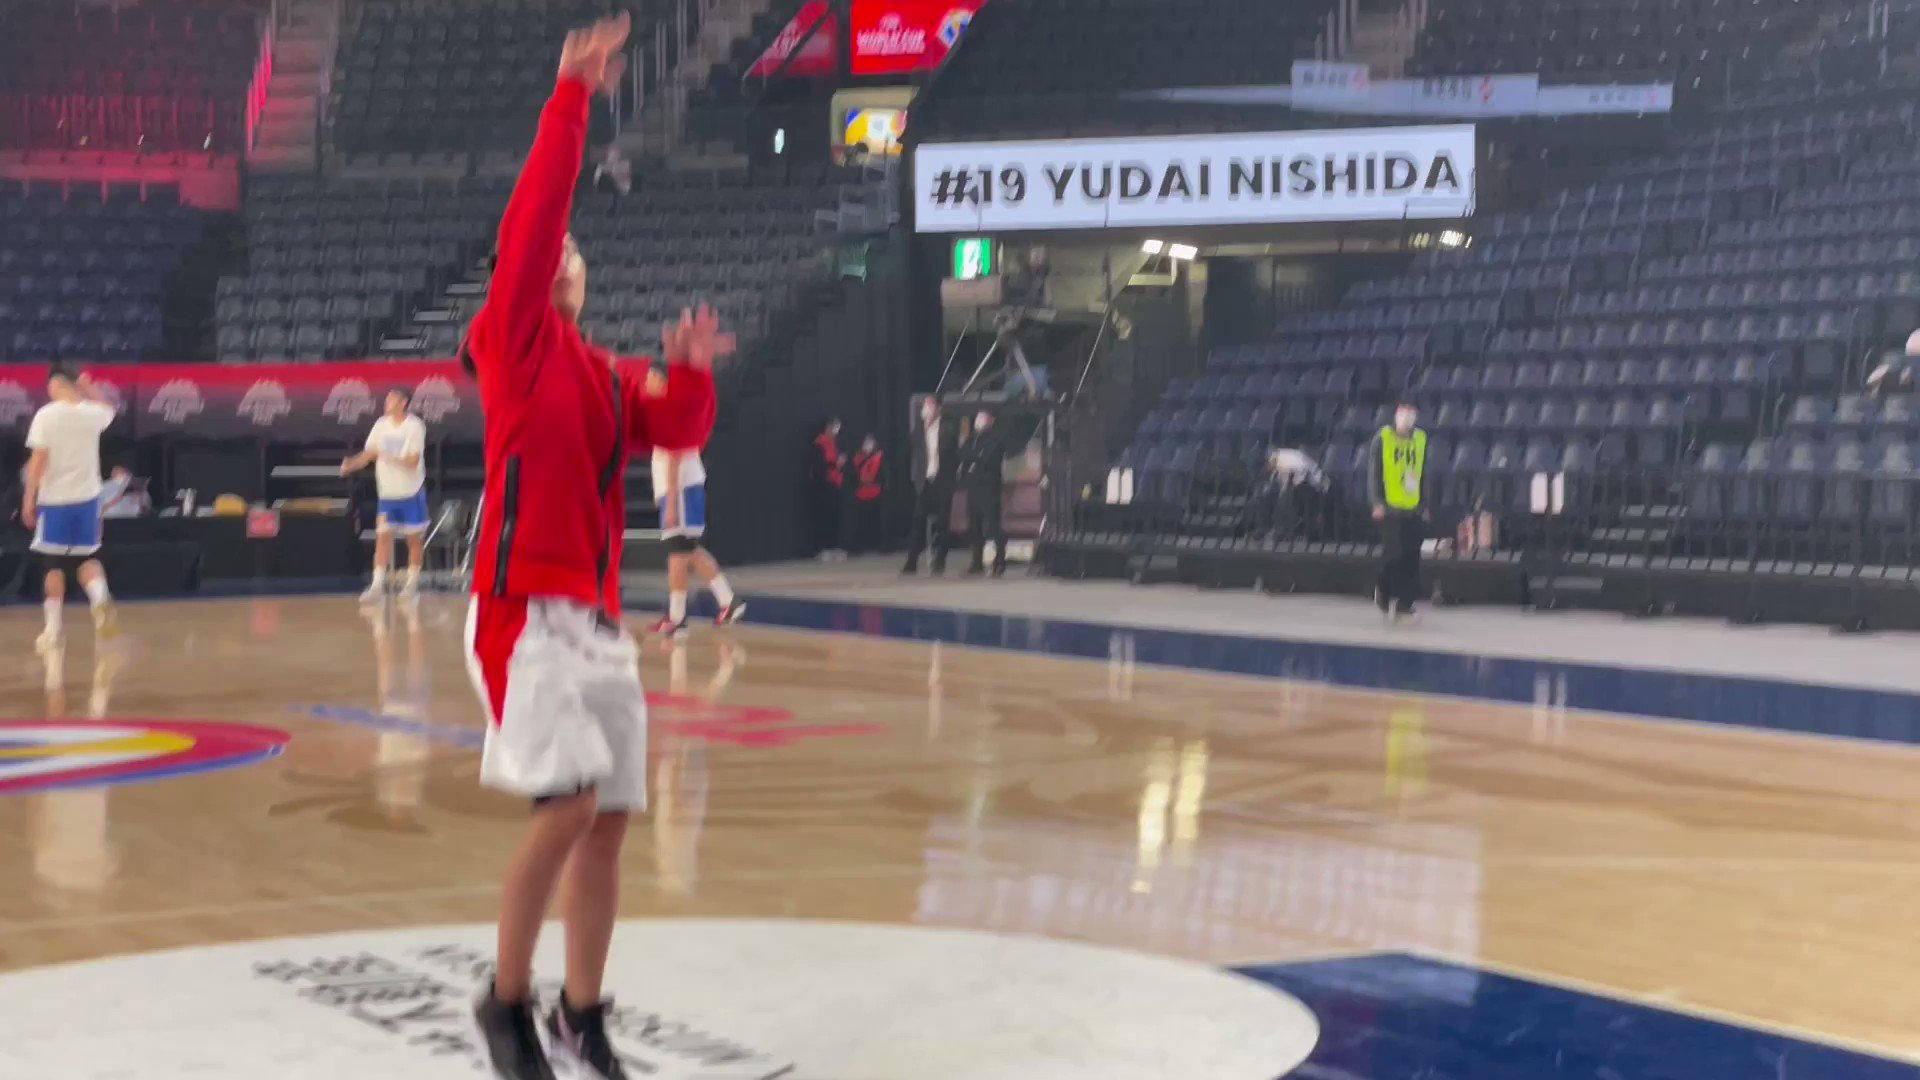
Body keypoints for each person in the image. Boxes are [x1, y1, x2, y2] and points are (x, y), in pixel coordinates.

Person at [456, 15, 732, 1080]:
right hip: (520, 609)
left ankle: (581, 1013)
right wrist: (571, 98)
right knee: (568, 803)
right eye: (555, 252)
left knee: (609, 821)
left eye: (575, 251)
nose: (565, 254)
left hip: (597, 618)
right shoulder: (514, 342)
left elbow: (679, 427)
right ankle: (505, 1004)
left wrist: (691, 370)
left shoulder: (606, 374)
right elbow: (535, 220)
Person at [23, 368, 119, 653]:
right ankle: (100, 599)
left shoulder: (46, 415)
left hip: (55, 502)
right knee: (87, 559)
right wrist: (88, 387)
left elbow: (38, 461)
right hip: (88, 501)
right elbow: (109, 409)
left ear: (55, 385)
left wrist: (29, 498)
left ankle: (53, 631)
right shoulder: (92, 413)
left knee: (53, 566)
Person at [647, 438, 745, 636]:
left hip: (681, 490)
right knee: (687, 550)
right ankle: (728, 602)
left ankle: (677, 619)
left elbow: (674, 454)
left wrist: (671, 501)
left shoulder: (671, 421)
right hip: (683, 488)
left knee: (677, 553)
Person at [341, 388, 430, 602]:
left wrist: (386, 454)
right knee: (383, 538)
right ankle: (377, 586)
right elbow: (369, 454)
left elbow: (412, 461)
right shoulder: (381, 425)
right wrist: (351, 464)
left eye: (392, 399)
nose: (387, 402)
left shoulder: (415, 426)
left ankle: (411, 585)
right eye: (387, 399)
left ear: (403, 402)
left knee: (413, 540)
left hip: (411, 493)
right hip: (387, 495)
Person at [1366, 399, 1433, 624]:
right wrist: (1376, 502)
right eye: (1403, 410)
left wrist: (1424, 504)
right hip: (1389, 507)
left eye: (1411, 411)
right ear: (1396, 413)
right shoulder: (1383, 438)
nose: (1407, 415)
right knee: (1393, 555)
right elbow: (1374, 473)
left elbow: (1423, 473)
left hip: (1413, 507)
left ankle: (1405, 603)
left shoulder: (1421, 439)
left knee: (1411, 558)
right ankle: (1383, 590)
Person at [902, 396, 954, 574]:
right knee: (918, 521)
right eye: (925, 406)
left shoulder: (948, 430)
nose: (926, 410)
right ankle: (912, 561)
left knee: (943, 523)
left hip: (943, 482)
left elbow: (954, 457)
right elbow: (912, 454)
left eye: (930, 406)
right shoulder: (918, 431)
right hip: (924, 483)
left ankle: (940, 561)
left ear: (938, 409)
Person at [959, 409, 1008, 576]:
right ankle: (976, 562)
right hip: (973, 487)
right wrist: (973, 456)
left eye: (984, 418)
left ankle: (1000, 560)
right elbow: (963, 454)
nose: (979, 422)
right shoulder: (971, 439)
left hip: (989, 488)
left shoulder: (996, 440)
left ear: (991, 421)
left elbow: (986, 459)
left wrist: (973, 456)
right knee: (974, 526)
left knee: (993, 526)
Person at [807, 417, 846, 560]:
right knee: (822, 519)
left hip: (834, 485)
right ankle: (821, 549)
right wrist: (836, 464)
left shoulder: (833, 444)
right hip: (822, 487)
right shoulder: (818, 445)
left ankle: (833, 547)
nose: (835, 432)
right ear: (826, 429)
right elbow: (820, 467)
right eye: (832, 428)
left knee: (834, 518)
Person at [849, 433, 884, 554]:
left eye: (870, 443)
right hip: (862, 493)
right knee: (859, 520)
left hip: (875, 492)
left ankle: (877, 544)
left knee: (874, 520)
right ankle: (859, 546)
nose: (867, 446)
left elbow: (870, 477)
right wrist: (862, 455)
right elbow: (854, 468)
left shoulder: (878, 456)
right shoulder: (862, 457)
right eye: (865, 443)